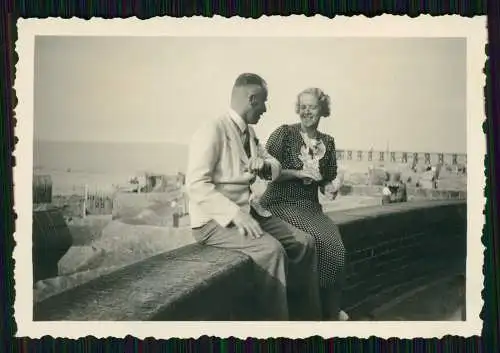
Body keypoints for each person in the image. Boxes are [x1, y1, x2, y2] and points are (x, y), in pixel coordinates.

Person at [186, 73, 321, 320]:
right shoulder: (212, 130)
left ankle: (308, 319)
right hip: (214, 222)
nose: (266, 109)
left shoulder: (248, 132)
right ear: (252, 99)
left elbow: (274, 164)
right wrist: (235, 215)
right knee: (272, 251)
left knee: (306, 243)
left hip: (248, 214)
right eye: (264, 102)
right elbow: (195, 185)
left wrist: (266, 165)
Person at [259, 87, 348, 320]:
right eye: (303, 106)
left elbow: (325, 179)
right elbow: (267, 172)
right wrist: (298, 174)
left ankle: (329, 310)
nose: (307, 111)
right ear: (298, 109)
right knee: (318, 241)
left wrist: (330, 187)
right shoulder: (284, 134)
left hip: (309, 206)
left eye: (313, 107)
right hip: (280, 201)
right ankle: (319, 313)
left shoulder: (328, 142)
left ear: (322, 110)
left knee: (336, 248)